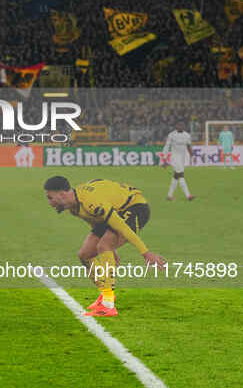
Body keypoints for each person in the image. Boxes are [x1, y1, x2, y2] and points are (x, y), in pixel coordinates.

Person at [44, 177, 166, 317]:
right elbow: (95, 221)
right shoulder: (73, 207)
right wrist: (111, 248)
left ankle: (108, 305)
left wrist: (146, 254)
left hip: (134, 207)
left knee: (104, 245)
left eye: (50, 198)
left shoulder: (91, 201)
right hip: (112, 209)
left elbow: (124, 229)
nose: (49, 203)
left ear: (62, 194)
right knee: (84, 255)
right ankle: (106, 295)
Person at [162, 122, 195, 201]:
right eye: (179, 125)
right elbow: (167, 147)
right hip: (175, 157)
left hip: (182, 158)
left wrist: (192, 155)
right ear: (176, 126)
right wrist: (164, 159)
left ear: (184, 126)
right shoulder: (171, 135)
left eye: (182, 125)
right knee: (181, 175)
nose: (181, 126)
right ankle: (188, 196)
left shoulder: (187, 135)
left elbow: (188, 145)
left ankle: (169, 196)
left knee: (176, 176)